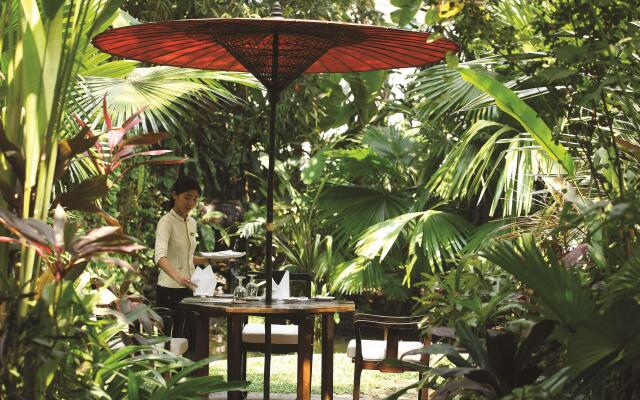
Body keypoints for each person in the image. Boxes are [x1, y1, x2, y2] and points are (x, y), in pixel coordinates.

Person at [154, 176, 214, 337]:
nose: (191, 203)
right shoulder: (165, 222)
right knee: (171, 343)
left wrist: (210, 260)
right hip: (169, 290)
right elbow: (160, 257)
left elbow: (186, 257)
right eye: (187, 197)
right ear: (175, 195)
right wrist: (178, 277)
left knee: (191, 339)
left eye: (195, 199)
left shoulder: (192, 223)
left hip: (190, 288)